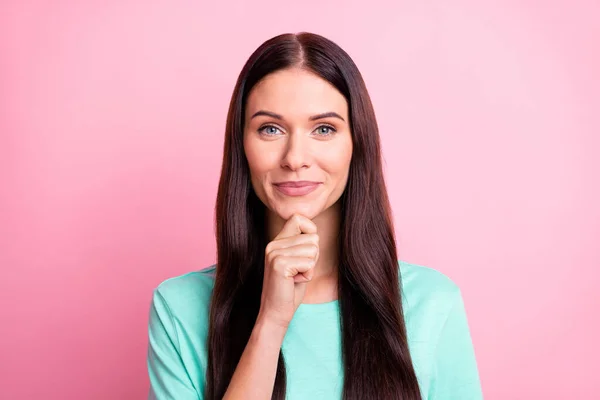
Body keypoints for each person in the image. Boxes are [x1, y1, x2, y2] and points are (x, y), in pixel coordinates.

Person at [146, 32, 483, 400]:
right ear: (241, 145)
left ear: (357, 143)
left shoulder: (433, 305)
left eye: (324, 129)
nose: (295, 157)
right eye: (270, 129)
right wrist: (271, 322)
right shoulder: (178, 308)